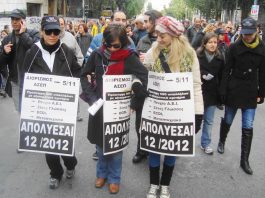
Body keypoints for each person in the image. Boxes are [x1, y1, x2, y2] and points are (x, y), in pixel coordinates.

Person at [80, 23, 148, 194]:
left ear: (124, 42)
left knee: (116, 148)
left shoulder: (130, 57)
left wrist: (135, 102)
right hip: (100, 108)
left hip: (119, 110)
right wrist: (92, 98)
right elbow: (83, 75)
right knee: (100, 147)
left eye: (116, 45)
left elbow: (143, 77)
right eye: (107, 44)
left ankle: (114, 178)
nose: (111, 48)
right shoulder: (97, 54)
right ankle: (101, 174)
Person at [143, 16, 203, 198]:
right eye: (157, 35)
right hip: (156, 109)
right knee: (154, 147)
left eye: (162, 35)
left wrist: (198, 113)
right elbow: (143, 74)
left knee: (171, 150)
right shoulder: (153, 51)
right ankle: (154, 184)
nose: (158, 39)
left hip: (179, 112)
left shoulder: (189, 54)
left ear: (173, 35)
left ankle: (165, 185)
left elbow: (195, 84)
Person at [21, 16, 81, 189]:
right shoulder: (32, 52)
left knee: (65, 142)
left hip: (63, 108)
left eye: (56, 31)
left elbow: (77, 73)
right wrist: (27, 106)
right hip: (42, 108)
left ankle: (71, 164)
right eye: (49, 31)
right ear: (42, 32)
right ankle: (55, 173)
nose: (53, 35)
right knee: (48, 145)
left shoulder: (67, 51)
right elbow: (26, 79)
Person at [85, 10, 136, 160]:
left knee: (115, 138)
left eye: (123, 20)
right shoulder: (97, 40)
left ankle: (114, 175)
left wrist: (134, 95)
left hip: (120, 101)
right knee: (100, 134)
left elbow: (136, 71)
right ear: (111, 20)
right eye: (117, 19)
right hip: (100, 98)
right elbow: (87, 65)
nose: (120, 22)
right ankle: (99, 153)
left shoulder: (131, 44)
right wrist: (91, 91)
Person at [218, 17, 265, 175]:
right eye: (245, 34)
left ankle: (244, 160)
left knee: (248, 125)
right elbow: (226, 70)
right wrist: (223, 90)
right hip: (234, 87)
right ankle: (222, 140)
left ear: (256, 31)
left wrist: (262, 92)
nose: (247, 37)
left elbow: (263, 72)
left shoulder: (262, 47)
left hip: (251, 89)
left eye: (250, 34)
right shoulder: (234, 47)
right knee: (229, 119)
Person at [132, 9, 163, 164]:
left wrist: (152, 60)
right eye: (143, 21)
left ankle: (156, 149)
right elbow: (135, 64)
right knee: (140, 123)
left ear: (155, 21)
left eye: (146, 21)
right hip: (143, 89)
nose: (143, 24)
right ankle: (141, 150)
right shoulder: (142, 40)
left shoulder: (167, 40)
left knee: (158, 122)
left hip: (160, 90)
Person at [0, 9, 39, 111]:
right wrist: (4, 53)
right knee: (20, 112)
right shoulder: (7, 39)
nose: (14, 22)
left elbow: (37, 52)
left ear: (23, 21)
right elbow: (1, 64)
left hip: (32, 82)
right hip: (15, 82)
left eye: (17, 19)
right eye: (12, 19)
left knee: (32, 111)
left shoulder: (34, 33)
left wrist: (23, 35)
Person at [196, 32, 224, 155]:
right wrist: (202, 74)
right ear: (205, 43)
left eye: (215, 42)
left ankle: (206, 143)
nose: (213, 45)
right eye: (210, 42)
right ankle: (186, 141)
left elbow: (222, 76)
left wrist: (222, 93)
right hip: (198, 92)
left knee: (209, 120)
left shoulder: (220, 57)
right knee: (194, 120)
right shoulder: (197, 56)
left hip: (212, 93)